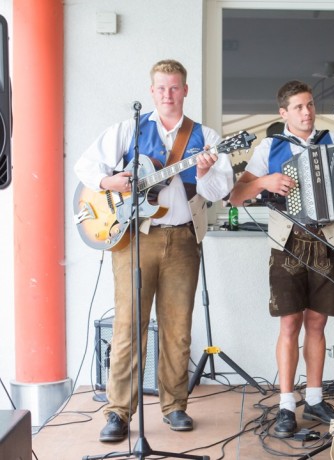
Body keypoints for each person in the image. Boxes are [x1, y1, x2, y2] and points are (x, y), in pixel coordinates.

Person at [74, 59, 234, 442]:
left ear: (185, 90)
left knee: (177, 329)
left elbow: (221, 191)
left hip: (182, 239)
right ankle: (118, 412)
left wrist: (205, 171)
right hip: (135, 238)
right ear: (151, 91)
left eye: (175, 87)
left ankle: (175, 406)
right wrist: (109, 181)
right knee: (129, 327)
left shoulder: (206, 137)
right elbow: (85, 165)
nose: (168, 94)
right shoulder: (129, 129)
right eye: (161, 87)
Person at [228, 80, 334, 438]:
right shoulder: (270, 146)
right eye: (299, 107)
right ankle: (287, 404)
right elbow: (236, 195)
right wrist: (265, 182)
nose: (307, 112)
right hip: (286, 242)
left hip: (326, 241)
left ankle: (315, 398)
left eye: (310, 104)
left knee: (317, 323)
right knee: (290, 324)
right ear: (283, 113)